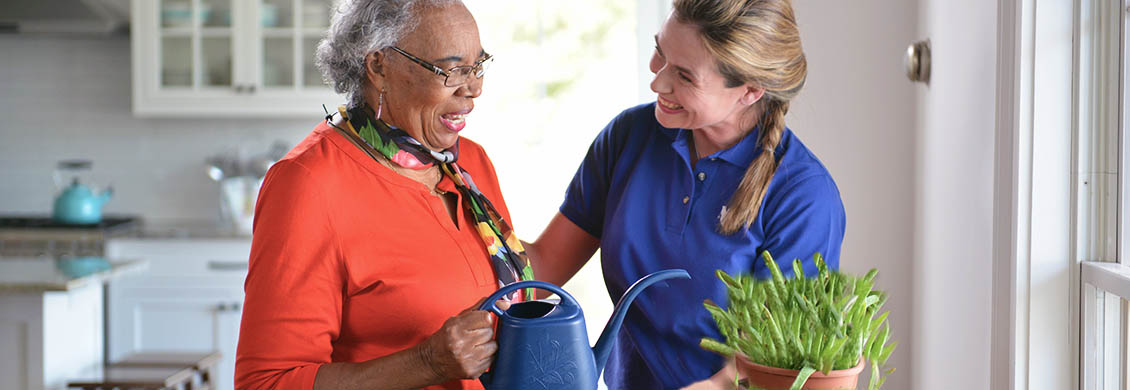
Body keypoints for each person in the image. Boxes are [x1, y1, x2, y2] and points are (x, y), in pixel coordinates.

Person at [523, 0, 846, 388]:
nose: (657, 82)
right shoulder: (629, 137)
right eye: (660, 52)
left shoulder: (803, 198)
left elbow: (774, 367)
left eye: (685, 76)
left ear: (750, 91)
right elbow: (541, 267)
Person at [234, 1, 535, 389]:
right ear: (379, 67)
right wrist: (427, 362)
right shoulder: (308, 184)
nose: (474, 87)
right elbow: (266, 382)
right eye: (452, 68)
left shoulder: (467, 164)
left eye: (478, 65)